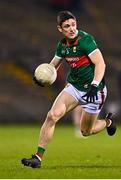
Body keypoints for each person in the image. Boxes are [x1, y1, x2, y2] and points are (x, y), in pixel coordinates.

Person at [21, 11, 116, 168]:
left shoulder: (86, 40)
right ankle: (38, 158)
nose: (71, 29)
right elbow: (53, 67)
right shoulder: (62, 46)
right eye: (67, 26)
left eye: (73, 24)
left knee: (86, 131)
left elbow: (101, 64)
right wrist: (42, 77)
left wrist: (94, 84)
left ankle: (108, 121)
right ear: (60, 29)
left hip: (95, 90)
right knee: (52, 116)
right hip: (74, 87)